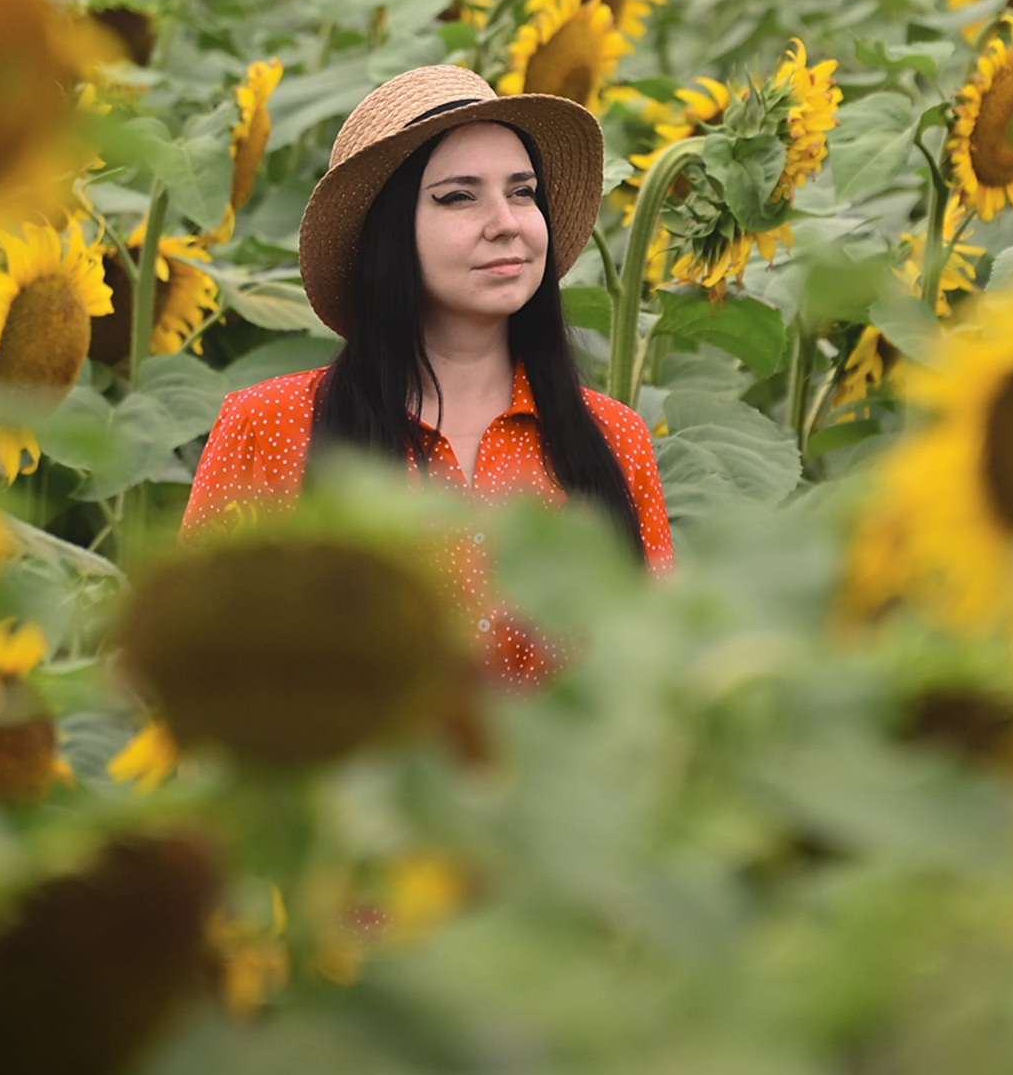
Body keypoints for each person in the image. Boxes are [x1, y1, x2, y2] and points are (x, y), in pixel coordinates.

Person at [181, 64, 672, 680]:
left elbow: (654, 685)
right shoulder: (269, 426)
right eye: (459, 197)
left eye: (522, 192)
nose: (506, 222)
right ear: (388, 234)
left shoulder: (614, 440)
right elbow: (197, 661)